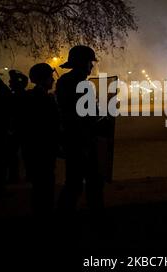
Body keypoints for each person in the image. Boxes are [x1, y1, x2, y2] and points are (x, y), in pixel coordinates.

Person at [56, 45, 105, 212]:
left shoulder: (66, 81)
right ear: (82, 63)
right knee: (87, 181)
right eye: (89, 62)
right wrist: (105, 112)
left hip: (75, 137)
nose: (91, 66)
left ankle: (65, 214)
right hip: (81, 138)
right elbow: (88, 113)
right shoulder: (80, 84)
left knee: (76, 181)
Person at [21, 63, 59, 216]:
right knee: (44, 186)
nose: (53, 80)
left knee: (39, 186)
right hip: (43, 151)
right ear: (44, 79)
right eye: (51, 77)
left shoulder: (32, 96)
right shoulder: (42, 98)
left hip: (34, 150)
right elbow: (50, 126)